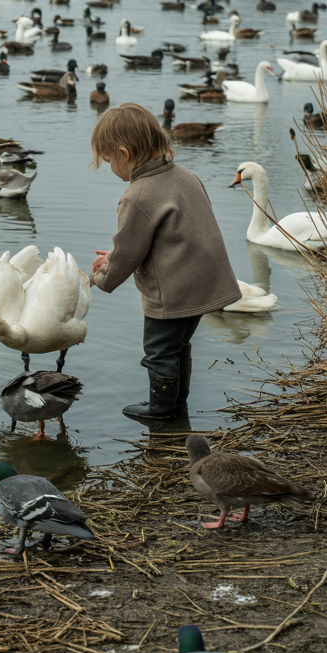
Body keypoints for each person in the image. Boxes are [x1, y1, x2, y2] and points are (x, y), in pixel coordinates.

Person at [89, 103, 239, 419]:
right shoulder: (185, 176)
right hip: (202, 282)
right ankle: (176, 405)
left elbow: (128, 250)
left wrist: (103, 275)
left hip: (171, 292)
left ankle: (161, 409)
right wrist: (117, 255)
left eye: (108, 159)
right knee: (179, 347)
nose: (109, 166)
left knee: (159, 352)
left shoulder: (137, 195)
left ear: (124, 154)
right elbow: (168, 236)